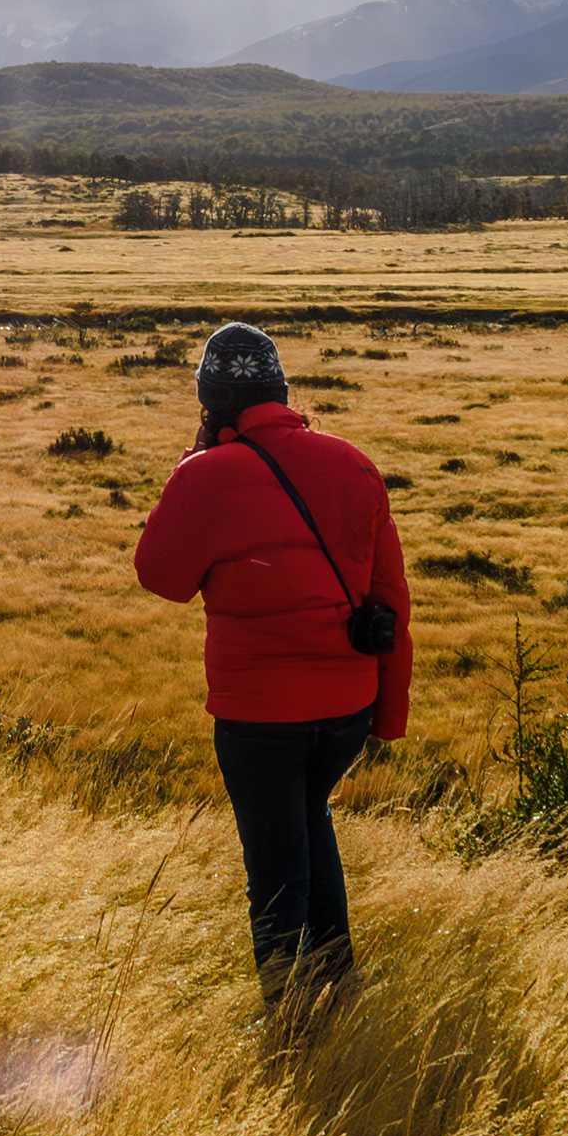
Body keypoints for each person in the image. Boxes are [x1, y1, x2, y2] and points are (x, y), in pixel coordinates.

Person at [131, 320, 412, 1024]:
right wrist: (389, 714)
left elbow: (161, 577)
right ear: (279, 394)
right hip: (346, 705)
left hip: (258, 716)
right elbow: (391, 599)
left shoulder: (207, 474)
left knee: (275, 872)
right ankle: (339, 996)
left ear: (212, 401)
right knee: (311, 827)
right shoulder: (353, 462)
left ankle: (292, 1023)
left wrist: (189, 469)